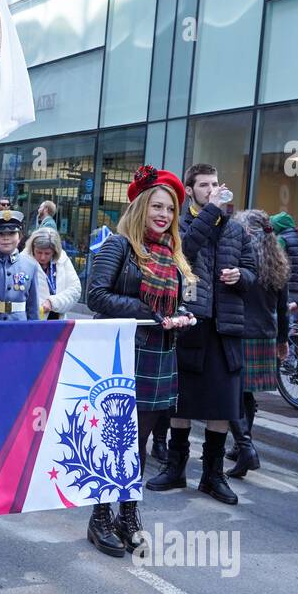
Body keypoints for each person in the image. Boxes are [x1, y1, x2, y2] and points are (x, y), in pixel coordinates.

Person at [86, 166, 196, 555]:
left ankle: (128, 513)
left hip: (159, 352)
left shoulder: (174, 253)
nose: (164, 214)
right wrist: (147, 310)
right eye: (157, 206)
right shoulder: (119, 245)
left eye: (170, 209)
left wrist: (181, 315)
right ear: (140, 207)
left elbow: (177, 302)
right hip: (119, 352)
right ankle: (99, 517)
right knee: (113, 438)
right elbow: (95, 296)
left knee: (141, 441)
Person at [148, 163, 255, 505]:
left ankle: (212, 475)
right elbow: (185, 252)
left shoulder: (236, 229)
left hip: (226, 325)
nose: (211, 189)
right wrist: (210, 211)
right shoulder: (180, 223)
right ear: (190, 190)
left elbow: (255, 271)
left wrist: (243, 275)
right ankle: (176, 467)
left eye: (214, 183)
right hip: (190, 321)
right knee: (181, 400)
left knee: (222, 404)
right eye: (204, 185)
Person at [226, 210, 289, 478]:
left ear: (248, 232)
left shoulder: (241, 259)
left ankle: (246, 449)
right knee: (247, 394)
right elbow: (283, 308)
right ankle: (242, 446)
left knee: (230, 393)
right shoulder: (277, 260)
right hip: (265, 334)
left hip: (239, 332)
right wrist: (283, 340)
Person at [24, 226, 80, 321]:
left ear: (54, 252)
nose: (42, 257)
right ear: (32, 248)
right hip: (32, 322)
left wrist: (52, 302)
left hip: (58, 322)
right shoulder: (23, 261)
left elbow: (75, 290)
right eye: (39, 252)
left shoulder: (63, 259)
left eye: (47, 253)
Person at [270, 210, 298, 310]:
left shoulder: (281, 239)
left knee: (286, 321)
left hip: (289, 287)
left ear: (278, 225)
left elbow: (276, 264)